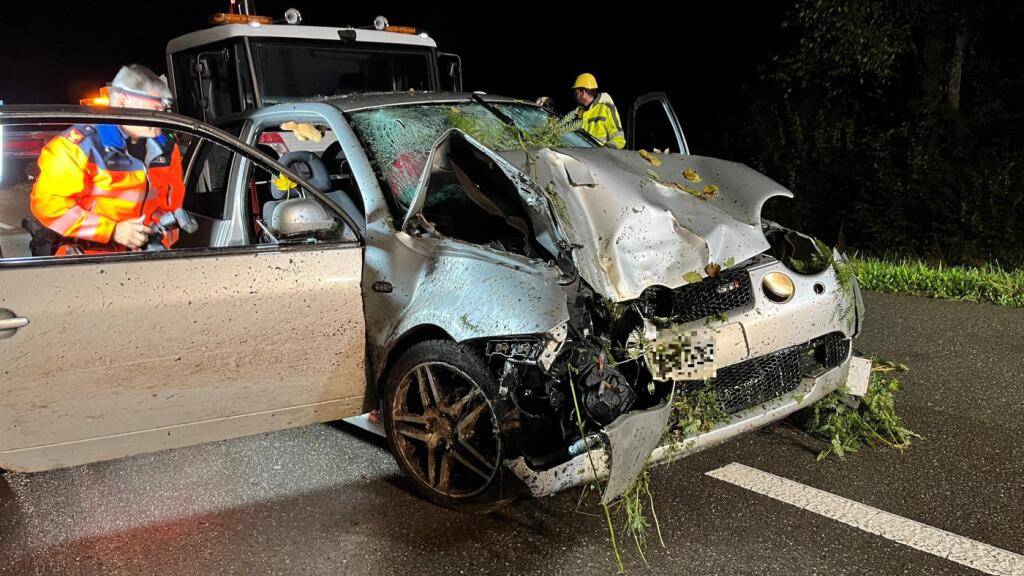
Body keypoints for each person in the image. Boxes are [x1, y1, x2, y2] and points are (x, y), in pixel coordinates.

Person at [26, 64, 184, 256]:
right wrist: (112, 230)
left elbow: (169, 206)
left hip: (146, 257)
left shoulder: (166, 149)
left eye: (164, 108)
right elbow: (49, 205)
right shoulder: (77, 146)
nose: (162, 115)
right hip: (88, 259)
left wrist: (157, 237)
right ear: (124, 102)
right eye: (155, 107)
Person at [567, 73, 625, 149]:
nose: (575, 96)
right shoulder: (579, 112)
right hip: (582, 157)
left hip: (600, 158)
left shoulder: (606, 108)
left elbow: (618, 138)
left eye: (576, 93)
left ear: (583, 92)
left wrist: (607, 151)